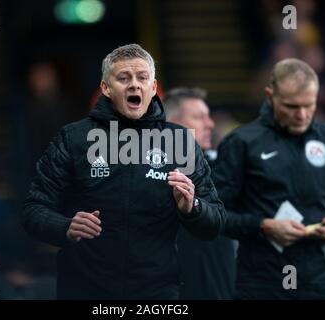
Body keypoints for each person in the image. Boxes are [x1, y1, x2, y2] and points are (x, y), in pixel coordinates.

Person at [21, 44, 226, 299]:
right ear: (106, 88)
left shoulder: (180, 141)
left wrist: (192, 206)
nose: (134, 85)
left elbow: (215, 221)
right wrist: (65, 226)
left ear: (153, 87)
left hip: (156, 293)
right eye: (123, 78)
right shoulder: (73, 139)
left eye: (142, 78)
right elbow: (32, 210)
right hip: (85, 290)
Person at [214, 58, 325, 299]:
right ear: (270, 95)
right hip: (262, 282)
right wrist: (263, 226)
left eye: (309, 105)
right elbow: (216, 213)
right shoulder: (241, 142)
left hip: (323, 282)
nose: (302, 115)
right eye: (292, 106)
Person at [163, 87, 236, 299]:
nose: (210, 124)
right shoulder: (152, 170)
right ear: (172, 125)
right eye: (198, 117)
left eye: (209, 116)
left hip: (221, 287)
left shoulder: (225, 166)